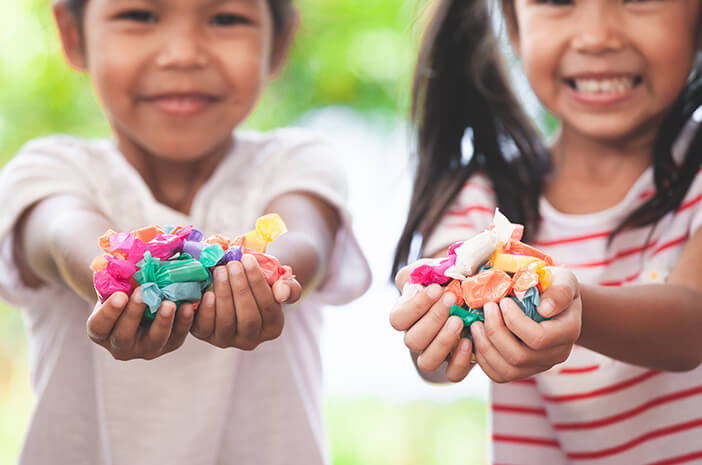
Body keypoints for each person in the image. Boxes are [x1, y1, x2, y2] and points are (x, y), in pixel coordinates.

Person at [0, 1, 370, 464]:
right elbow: (61, 233)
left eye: (226, 18)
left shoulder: (297, 163)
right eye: (140, 16)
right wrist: (116, 281)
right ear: (73, 35)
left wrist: (264, 278)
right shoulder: (48, 170)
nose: (182, 54)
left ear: (279, 43)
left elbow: (303, 243)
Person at [390, 0, 702, 463]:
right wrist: (434, 313)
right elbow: (431, 355)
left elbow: (689, 326)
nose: (597, 37)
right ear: (513, 26)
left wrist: (574, 306)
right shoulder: (480, 197)